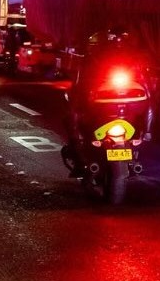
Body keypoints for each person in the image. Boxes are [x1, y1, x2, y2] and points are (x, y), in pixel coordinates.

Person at [62, 26, 153, 176]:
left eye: (120, 39)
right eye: (114, 39)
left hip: (123, 94)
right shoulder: (93, 57)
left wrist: (142, 85)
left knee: (149, 100)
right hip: (98, 95)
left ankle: (145, 133)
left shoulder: (133, 56)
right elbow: (80, 81)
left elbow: (143, 76)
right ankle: (78, 148)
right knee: (73, 112)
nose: (117, 42)